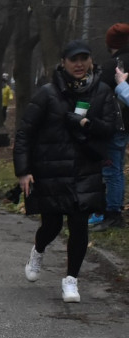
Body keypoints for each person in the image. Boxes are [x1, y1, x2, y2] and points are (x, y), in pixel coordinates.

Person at [15, 39, 117, 303]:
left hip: (85, 170)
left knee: (79, 226)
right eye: (74, 59)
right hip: (50, 169)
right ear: (63, 63)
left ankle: (71, 280)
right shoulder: (47, 93)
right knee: (51, 225)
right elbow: (26, 133)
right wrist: (23, 171)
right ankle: (38, 251)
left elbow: (109, 129)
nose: (80, 64)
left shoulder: (102, 92)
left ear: (91, 61)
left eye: (84, 58)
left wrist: (84, 122)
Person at [96, 23, 129, 230]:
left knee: (111, 169)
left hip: (114, 125)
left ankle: (113, 213)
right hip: (125, 125)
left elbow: (98, 93)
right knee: (117, 168)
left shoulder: (114, 65)